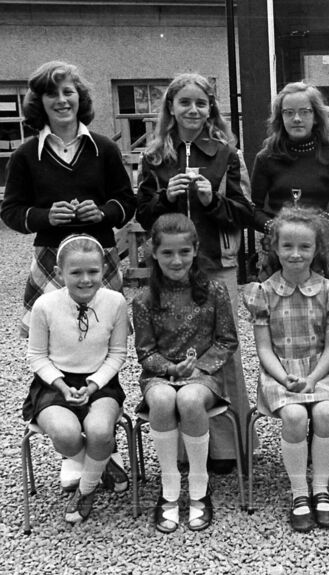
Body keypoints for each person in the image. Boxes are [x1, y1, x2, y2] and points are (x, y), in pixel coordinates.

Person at [1, 60, 135, 492]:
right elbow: (10, 211)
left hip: (100, 259)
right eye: (52, 94)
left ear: (80, 99)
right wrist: (44, 215)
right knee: (56, 341)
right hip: (50, 260)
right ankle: (79, 452)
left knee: (100, 339)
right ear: (39, 103)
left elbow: (126, 203)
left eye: (69, 93)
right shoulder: (25, 154)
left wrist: (105, 212)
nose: (61, 101)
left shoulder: (102, 148)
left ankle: (99, 430)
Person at [136, 72, 254, 473]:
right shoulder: (153, 158)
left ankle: (227, 448)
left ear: (211, 110)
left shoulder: (226, 154)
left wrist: (210, 199)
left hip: (215, 267)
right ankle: (184, 452)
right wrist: (164, 198)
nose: (193, 110)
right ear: (171, 107)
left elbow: (242, 213)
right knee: (172, 350)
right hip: (169, 271)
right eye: (184, 102)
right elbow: (142, 214)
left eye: (201, 103)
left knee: (221, 353)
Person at [132, 214, 239, 533]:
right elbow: (145, 352)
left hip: (203, 375)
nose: (176, 260)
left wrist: (198, 367)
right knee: (164, 400)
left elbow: (227, 340)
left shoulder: (215, 290)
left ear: (195, 251)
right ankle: (168, 488)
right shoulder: (144, 300)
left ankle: (198, 485)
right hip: (159, 375)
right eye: (167, 253)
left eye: (183, 252)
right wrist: (168, 368)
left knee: (191, 399)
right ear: (154, 253)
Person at [243, 206, 329, 532]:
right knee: (295, 416)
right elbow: (263, 349)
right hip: (279, 371)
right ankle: (300, 493)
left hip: (322, 370)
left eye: (304, 247)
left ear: (316, 249)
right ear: (275, 248)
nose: (296, 254)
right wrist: (284, 376)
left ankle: (321, 489)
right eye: (288, 246)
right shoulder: (263, 293)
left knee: (327, 412)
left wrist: (314, 378)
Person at [24, 235, 128, 524]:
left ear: (103, 270)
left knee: (99, 430)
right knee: (66, 434)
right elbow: (36, 357)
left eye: (93, 272)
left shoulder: (116, 302)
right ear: (59, 274)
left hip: (101, 381)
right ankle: (101, 463)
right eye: (76, 272)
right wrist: (61, 385)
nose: (85, 279)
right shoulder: (44, 305)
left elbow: (118, 353)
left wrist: (93, 384)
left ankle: (86, 489)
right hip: (54, 382)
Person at [251, 81, 329, 280]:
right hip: (277, 248)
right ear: (280, 117)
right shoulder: (266, 158)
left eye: (304, 112)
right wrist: (275, 227)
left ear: (315, 117)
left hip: (319, 247)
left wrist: (318, 227)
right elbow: (252, 210)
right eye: (288, 112)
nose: (296, 119)